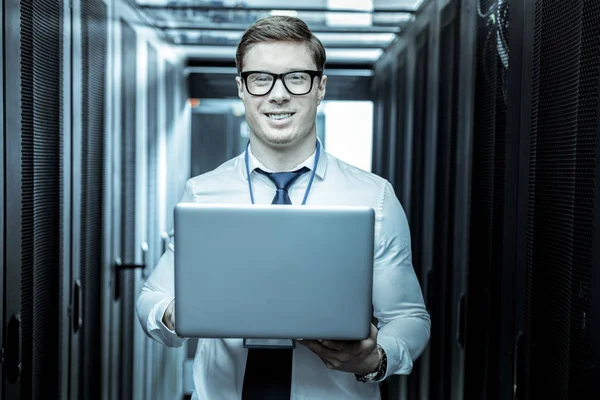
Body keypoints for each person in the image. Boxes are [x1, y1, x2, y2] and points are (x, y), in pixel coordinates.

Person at [136, 15, 430, 400]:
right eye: (261, 78)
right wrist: (177, 313)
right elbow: (150, 299)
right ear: (241, 88)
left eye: (296, 77)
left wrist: (376, 358)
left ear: (320, 87)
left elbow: (409, 318)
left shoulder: (373, 196)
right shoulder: (203, 192)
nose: (278, 95)